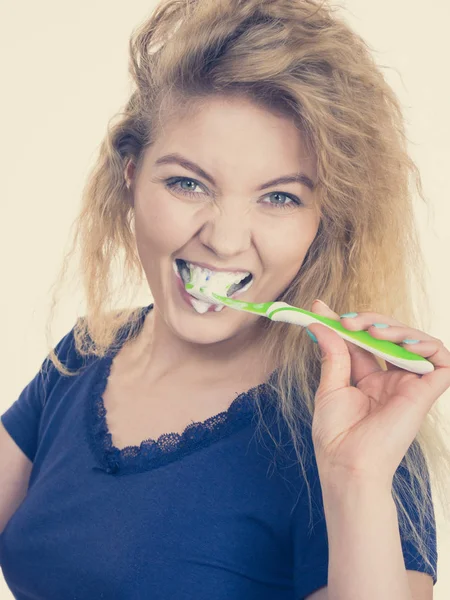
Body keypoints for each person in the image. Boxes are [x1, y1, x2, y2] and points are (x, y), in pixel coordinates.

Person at [1, 0, 449, 598]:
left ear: (325, 220)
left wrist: (358, 479)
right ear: (131, 176)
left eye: (281, 198)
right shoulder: (84, 355)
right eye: (188, 183)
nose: (225, 238)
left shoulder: (356, 432)